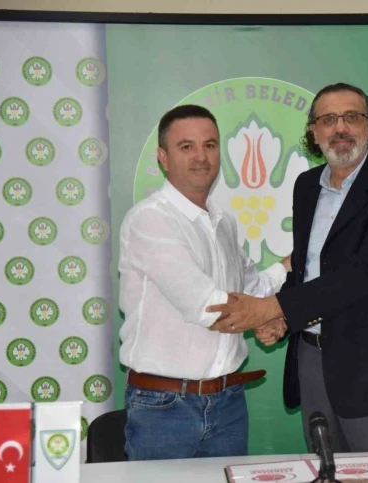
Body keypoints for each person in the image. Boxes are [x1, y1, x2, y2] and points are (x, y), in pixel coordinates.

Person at [207, 83, 368, 453]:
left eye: (351, 117)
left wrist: (272, 307)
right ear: (314, 132)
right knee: (325, 470)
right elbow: (309, 267)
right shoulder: (307, 186)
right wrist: (284, 320)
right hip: (311, 360)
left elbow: (365, 272)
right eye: (328, 120)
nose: (340, 128)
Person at [118, 104, 290, 461]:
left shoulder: (223, 223)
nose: (201, 156)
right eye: (187, 147)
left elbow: (254, 289)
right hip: (164, 408)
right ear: (163, 157)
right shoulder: (150, 220)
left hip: (229, 403)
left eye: (210, 145)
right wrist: (270, 315)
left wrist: (296, 261)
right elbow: (210, 308)